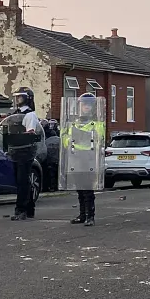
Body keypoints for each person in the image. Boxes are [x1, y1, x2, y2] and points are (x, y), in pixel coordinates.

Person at [61, 93, 106, 227]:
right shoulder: (73, 123)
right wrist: (69, 142)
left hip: (89, 159)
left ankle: (90, 216)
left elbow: (99, 140)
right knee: (79, 188)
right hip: (75, 158)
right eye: (83, 104)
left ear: (92, 107)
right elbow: (65, 141)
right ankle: (82, 214)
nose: (85, 107)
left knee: (88, 189)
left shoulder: (97, 124)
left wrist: (82, 137)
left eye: (88, 105)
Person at [8, 86, 41, 221]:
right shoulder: (15, 113)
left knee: (23, 181)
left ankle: (21, 210)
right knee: (21, 181)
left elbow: (30, 132)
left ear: (27, 99)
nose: (17, 99)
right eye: (16, 97)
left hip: (25, 150)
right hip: (16, 150)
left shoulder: (29, 114)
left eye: (20, 97)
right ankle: (29, 209)